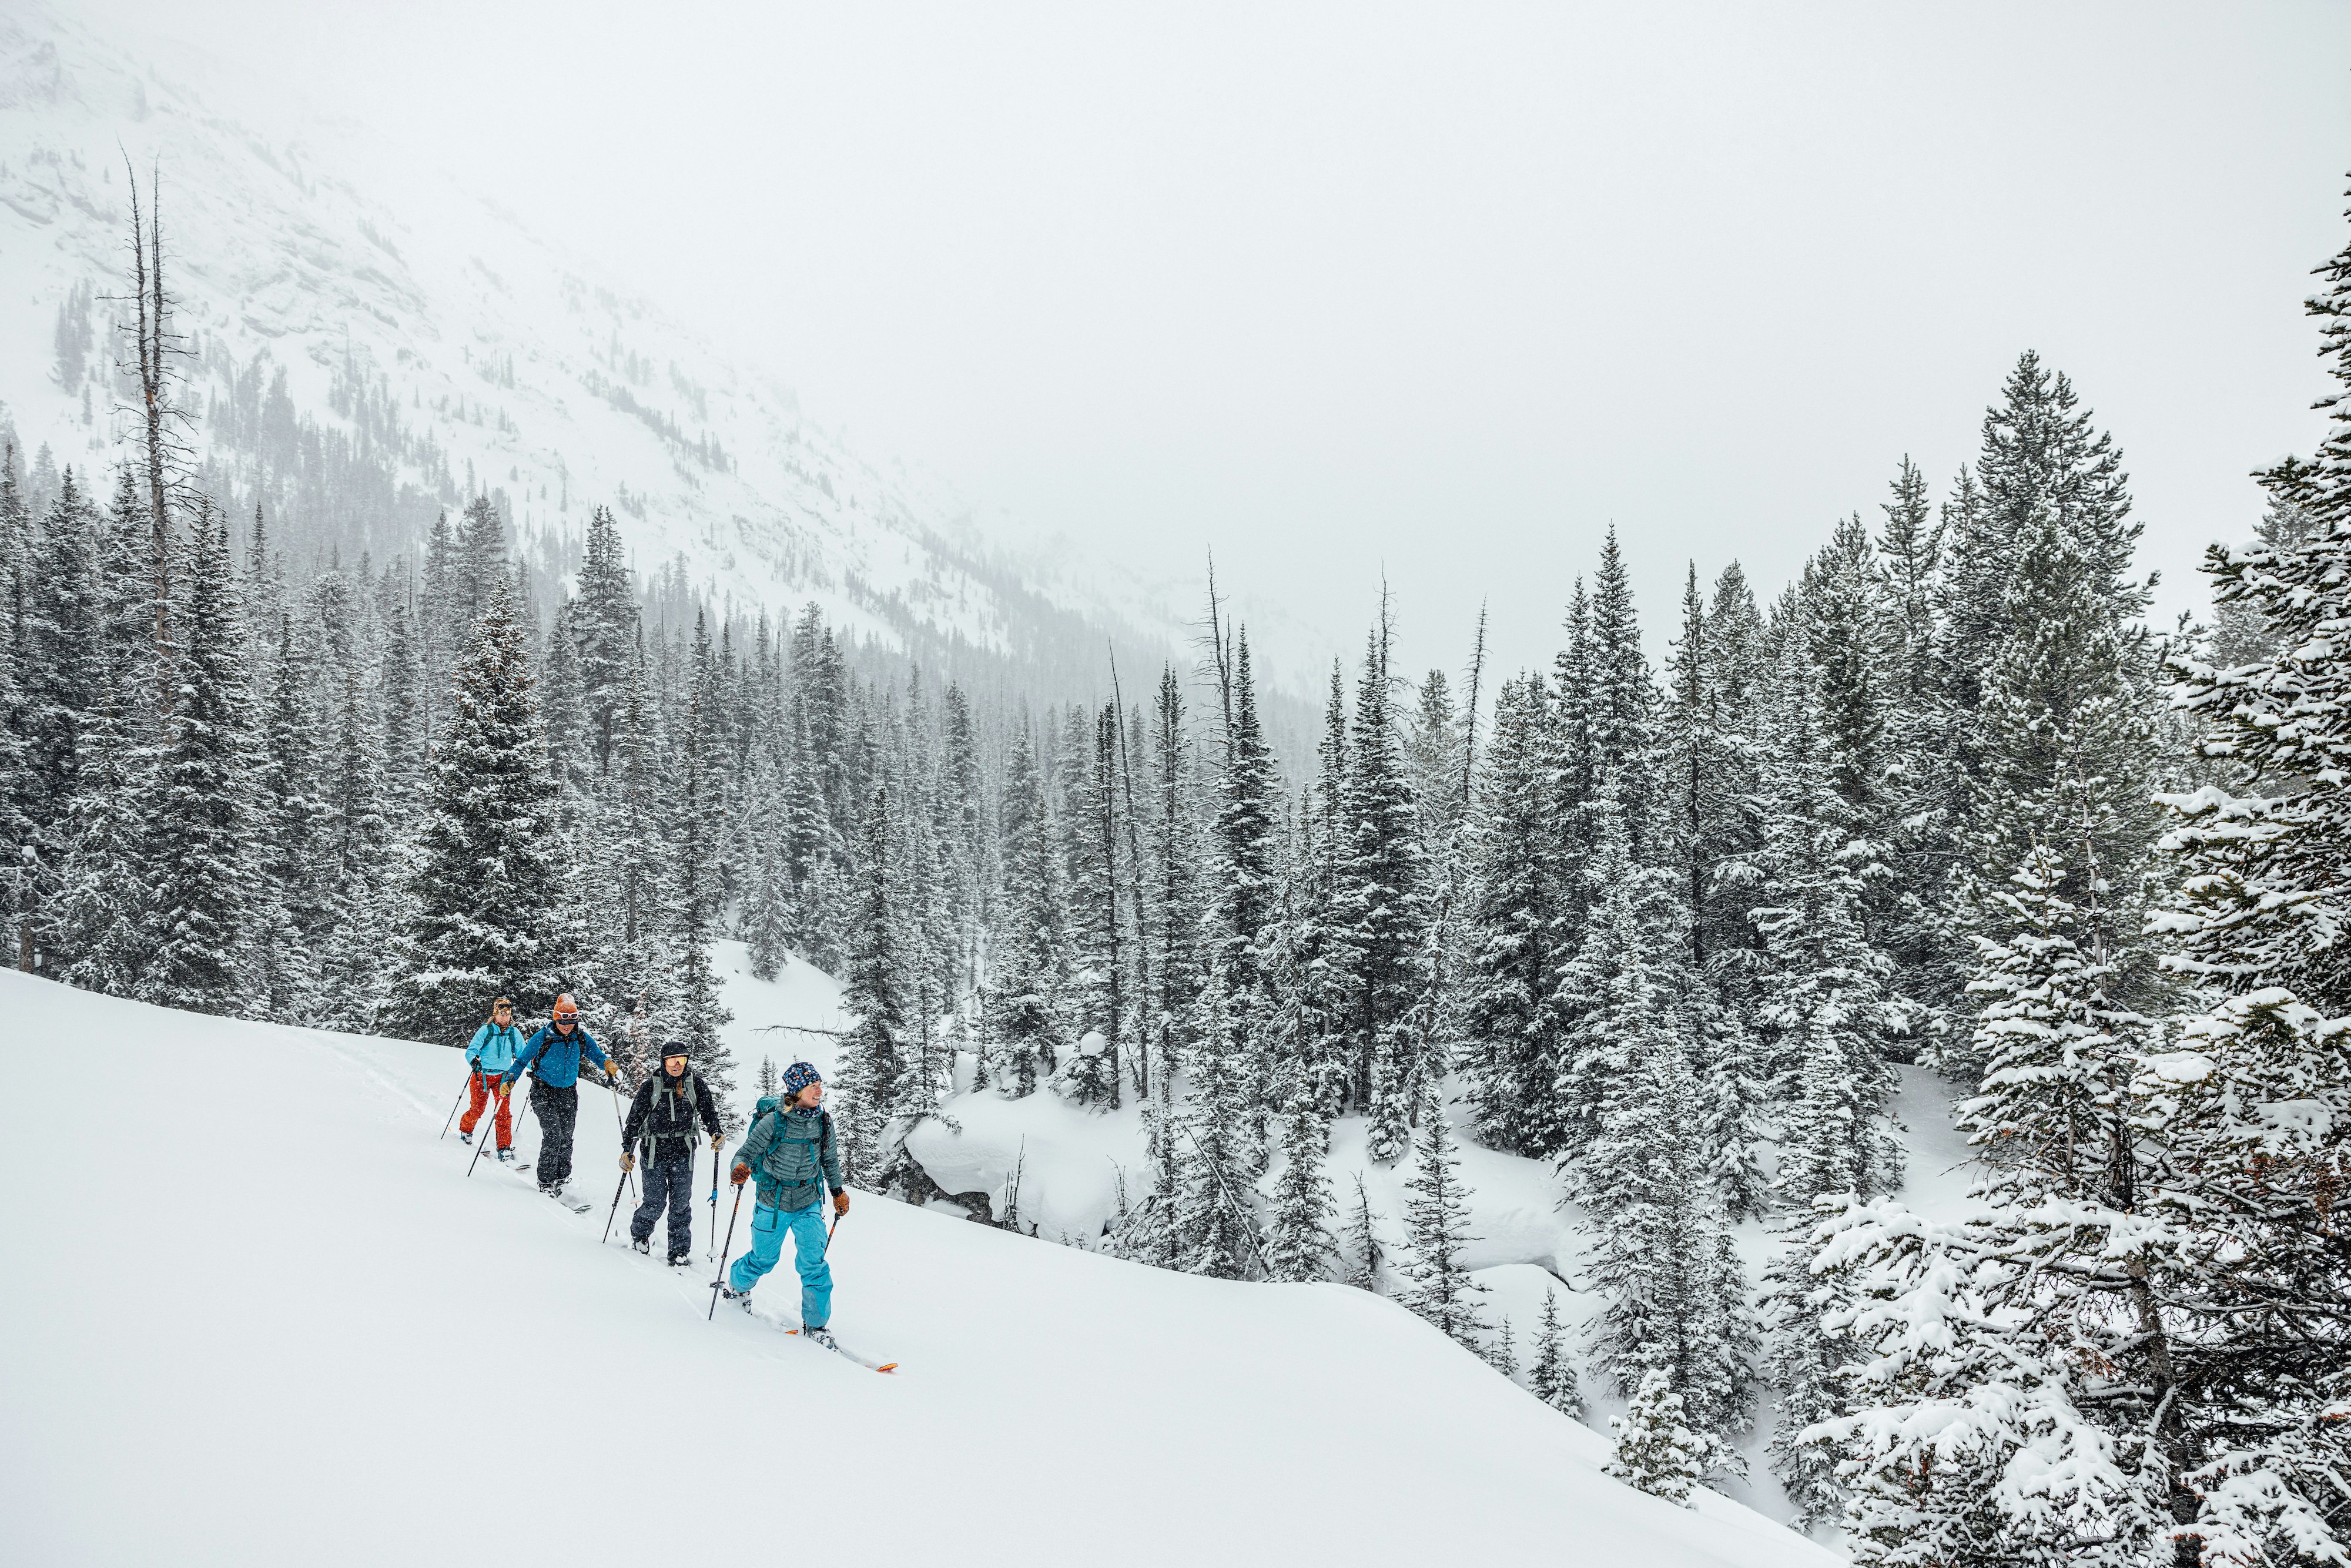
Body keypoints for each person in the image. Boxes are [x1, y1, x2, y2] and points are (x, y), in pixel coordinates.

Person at [718, 1061, 849, 1344]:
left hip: (808, 1201)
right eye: (813, 1086)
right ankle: (738, 1287)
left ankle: (816, 1325)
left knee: (814, 1263)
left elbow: (830, 1160)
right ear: (797, 1091)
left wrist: (837, 1192)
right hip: (773, 1202)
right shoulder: (774, 1121)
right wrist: (740, 1169)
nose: (819, 1091)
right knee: (763, 1259)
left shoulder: (823, 1123)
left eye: (819, 1085)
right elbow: (745, 1153)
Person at [618, 1040, 724, 1264]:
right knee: (654, 1202)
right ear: (663, 1061)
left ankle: (679, 1251)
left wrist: (716, 1132)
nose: (677, 1065)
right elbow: (634, 1121)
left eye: (682, 1060)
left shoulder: (695, 1084)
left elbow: (708, 1112)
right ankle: (640, 1235)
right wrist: (627, 1150)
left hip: (683, 1151)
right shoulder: (651, 1086)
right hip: (654, 1150)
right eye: (672, 1060)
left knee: (681, 1203)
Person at [502, 994, 614, 1199]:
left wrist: (606, 1064)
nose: (567, 1025)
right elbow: (522, 1061)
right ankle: (545, 1180)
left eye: (572, 1020)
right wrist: (510, 1080)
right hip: (543, 1090)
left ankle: (562, 1178)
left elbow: (596, 1055)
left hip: (568, 1092)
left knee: (567, 1136)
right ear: (555, 1018)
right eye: (563, 1020)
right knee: (554, 1135)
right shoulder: (542, 1037)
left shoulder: (580, 1037)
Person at [458, 997, 524, 1162]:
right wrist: (474, 1060)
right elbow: (471, 1050)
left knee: (503, 1113)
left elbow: (524, 1055)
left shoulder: (514, 1033)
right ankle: (466, 1130)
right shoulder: (486, 1031)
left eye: (508, 1014)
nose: (505, 1017)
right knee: (478, 1109)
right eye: (502, 1014)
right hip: (482, 1076)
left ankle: (504, 1147)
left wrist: (536, 1069)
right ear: (495, 1014)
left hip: (503, 1078)